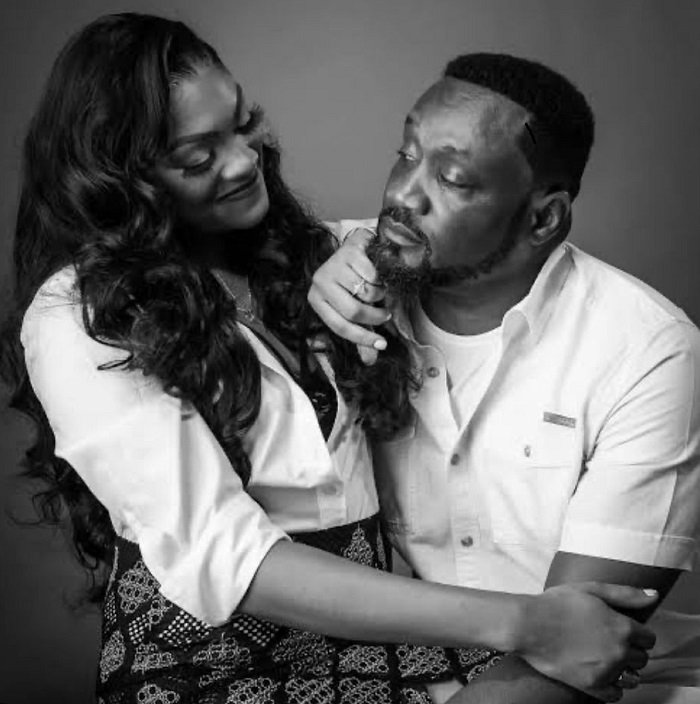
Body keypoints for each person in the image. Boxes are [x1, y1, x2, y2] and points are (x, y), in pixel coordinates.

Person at [0, 17, 659, 704]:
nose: (244, 161)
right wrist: (525, 621)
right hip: (203, 659)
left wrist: (353, 254)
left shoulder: (304, 254)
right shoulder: (81, 313)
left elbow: (438, 235)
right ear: (121, 179)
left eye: (244, 124)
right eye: (197, 158)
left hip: (378, 645)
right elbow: (225, 557)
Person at [308, 53, 700, 704]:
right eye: (405, 155)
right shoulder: (345, 271)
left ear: (543, 219)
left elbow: (580, 652)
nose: (403, 196)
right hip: (401, 676)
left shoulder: (649, 352)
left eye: (452, 178)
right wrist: (320, 262)